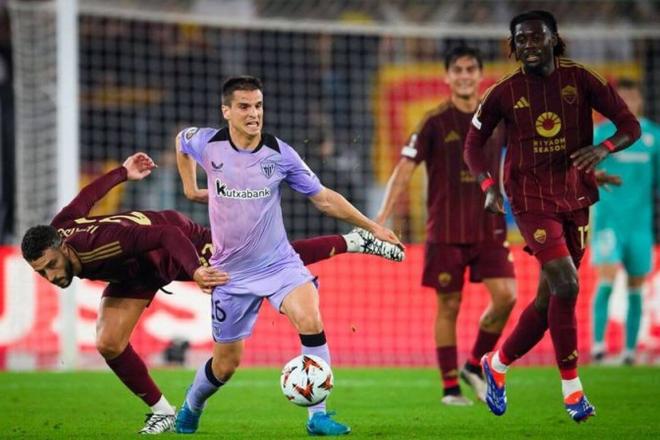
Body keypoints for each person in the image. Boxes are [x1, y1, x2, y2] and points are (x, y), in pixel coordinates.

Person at [21, 153, 403, 435]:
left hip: (172, 244)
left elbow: (166, 236)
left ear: (65, 250)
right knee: (108, 342)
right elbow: (83, 200)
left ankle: (353, 239)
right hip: (135, 270)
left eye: (51, 267)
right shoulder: (58, 231)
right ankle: (162, 411)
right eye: (42, 273)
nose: (51, 277)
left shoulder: (102, 243)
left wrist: (195, 270)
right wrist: (123, 172)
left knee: (265, 261)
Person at [174, 75, 401, 436]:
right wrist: (190, 188)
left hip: (279, 264)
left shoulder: (279, 154)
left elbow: (324, 198)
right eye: (245, 107)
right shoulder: (208, 144)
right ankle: (192, 404)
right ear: (227, 111)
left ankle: (318, 416)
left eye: (259, 106)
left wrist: (372, 226)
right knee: (225, 365)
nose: (254, 114)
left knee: (310, 318)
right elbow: (181, 141)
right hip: (229, 274)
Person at [464, 10, 641, 422]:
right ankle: (573, 391)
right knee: (567, 282)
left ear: (553, 39)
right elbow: (473, 144)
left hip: (575, 196)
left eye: (535, 37)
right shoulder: (503, 92)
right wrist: (489, 187)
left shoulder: (581, 79)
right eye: (520, 39)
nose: (528, 45)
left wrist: (604, 148)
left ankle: (498, 365)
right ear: (513, 46)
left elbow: (628, 125)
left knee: (551, 299)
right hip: (528, 198)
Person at [375, 46, 516, 406]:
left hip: (490, 227)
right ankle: (451, 388)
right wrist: (381, 218)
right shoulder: (434, 121)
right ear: (447, 77)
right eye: (458, 69)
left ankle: (473, 365)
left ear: (480, 74)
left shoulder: (498, 121)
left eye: (471, 69)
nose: (465, 75)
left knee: (507, 297)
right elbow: (404, 169)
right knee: (449, 305)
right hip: (446, 230)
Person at [590, 78, 660, 365]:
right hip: (608, 221)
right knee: (606, 280)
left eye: (633, 96)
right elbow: (582, 173)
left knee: (635, 286)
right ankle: (597, 347)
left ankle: (630, 351)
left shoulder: (654, 137)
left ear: (641, 100)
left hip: (639, 225)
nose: (629, 101)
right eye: (623, 97)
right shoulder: (600, 135)